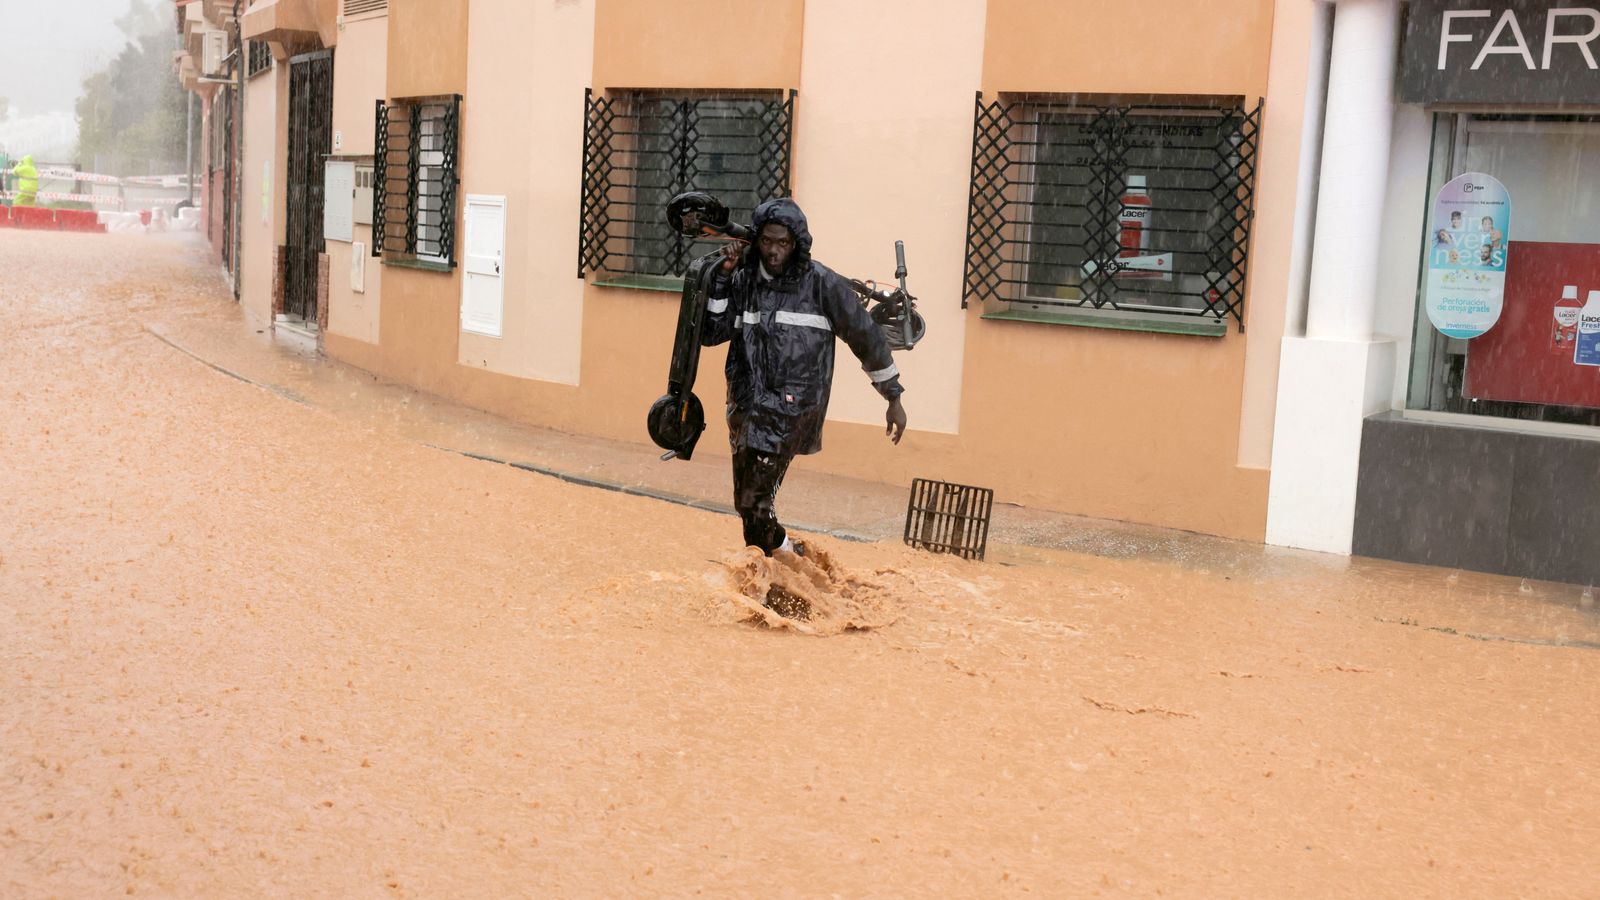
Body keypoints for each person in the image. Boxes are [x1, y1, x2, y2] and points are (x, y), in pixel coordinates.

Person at [702, 197, 907, 561]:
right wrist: (722, 275)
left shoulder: (822, 285)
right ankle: (794, 563)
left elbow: (867, 338)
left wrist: (892, 396)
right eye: (767, 241)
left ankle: (788, 583)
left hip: (790, 414)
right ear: (758, 239)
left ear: (796, 243)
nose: (774, 251)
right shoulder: (744, 279)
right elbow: (712, 331)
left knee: (754, 506)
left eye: (783, 243)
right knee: (748, 506)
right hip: (747, 410)